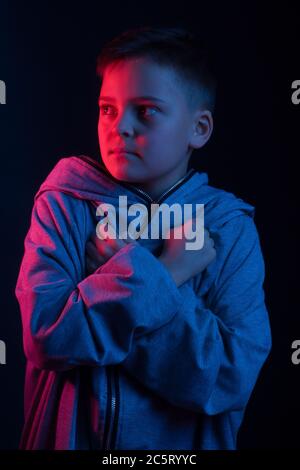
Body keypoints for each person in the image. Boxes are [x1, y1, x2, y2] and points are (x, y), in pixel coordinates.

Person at [15, 25, 272, 450]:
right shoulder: (65, 200)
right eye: (108, 110)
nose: (121, 128)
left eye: (146, 110)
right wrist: (165, 272)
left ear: (200, 129)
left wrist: (126, 278)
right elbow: (46, 335)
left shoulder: (227, 228)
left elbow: (230, 377)